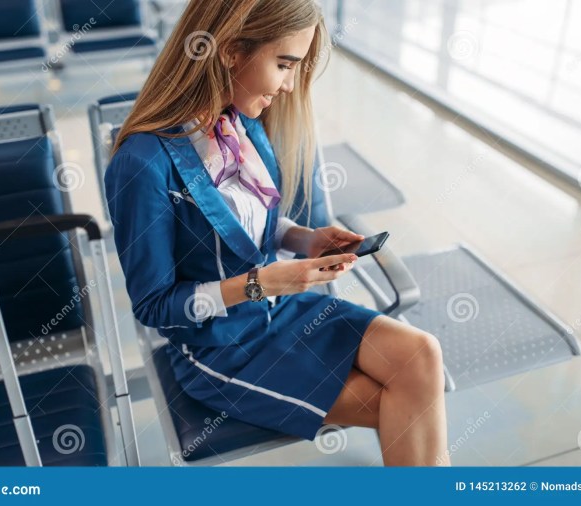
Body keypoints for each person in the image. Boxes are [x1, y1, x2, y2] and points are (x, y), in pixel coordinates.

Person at [105, 0, 450, 466]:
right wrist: (261, 283)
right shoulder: (143, 163)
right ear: (229, 51)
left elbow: (253, 225)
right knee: (404, 401)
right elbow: (155, 308)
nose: (289, 85)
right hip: (221, 349)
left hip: (285, 309)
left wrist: (302, 239)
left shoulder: (242, 123)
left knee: (422, 353)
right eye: (284, 64)